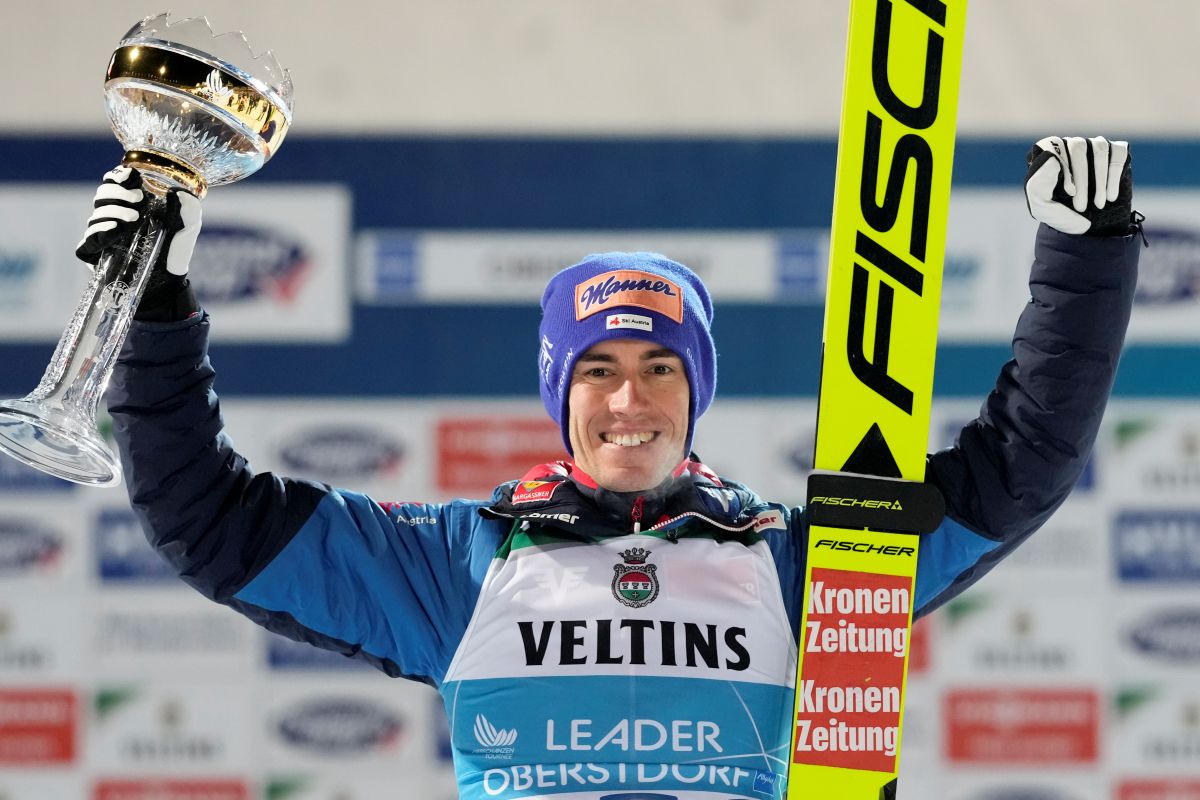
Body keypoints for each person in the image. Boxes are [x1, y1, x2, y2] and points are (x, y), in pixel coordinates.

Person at [79, 136, 1141, 800]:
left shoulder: (798, 562)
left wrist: (1086, 258)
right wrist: (154, 303)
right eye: (597, 369)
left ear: (695, 389)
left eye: (657, 367)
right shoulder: (461, 561)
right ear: (561, 391)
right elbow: (206, 518)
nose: (629, 399)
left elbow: (1019, 466)